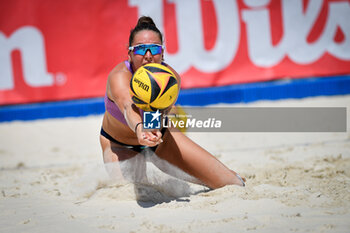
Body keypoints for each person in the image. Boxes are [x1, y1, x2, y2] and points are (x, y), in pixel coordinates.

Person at [99, 16, 245, 189]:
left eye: (154, 49)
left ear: (162, 52)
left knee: (233, 184)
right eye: (140, 49)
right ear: (129, 53)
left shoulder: (171, 79)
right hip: (120, 144)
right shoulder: (119, 77)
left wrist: (152, 129)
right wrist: (140, 129)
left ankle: (225, 174)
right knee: (129, 193)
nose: (148, 56)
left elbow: (154, 114)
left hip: (161, 138)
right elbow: (127, 108)